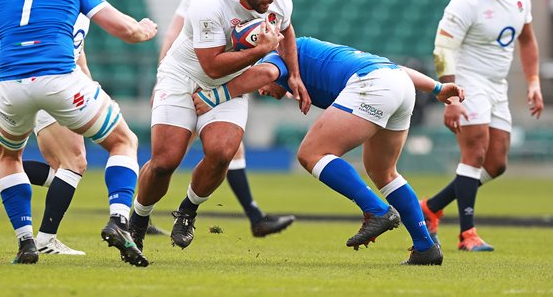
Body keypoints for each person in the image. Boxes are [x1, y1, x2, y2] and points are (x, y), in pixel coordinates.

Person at [0, 0, 157, 265]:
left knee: (11, 158)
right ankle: (118, 220)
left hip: (12, 85)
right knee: (123, 141)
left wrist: (17, 56)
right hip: (58, 79)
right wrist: (143, 29)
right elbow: (125, 29)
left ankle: (26, 243)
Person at [192, 36, 467, 265]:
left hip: (373, 85)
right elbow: (396, 69)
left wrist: (215, 96)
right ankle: (425, 247)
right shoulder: (308, 53)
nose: (260, 91)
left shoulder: (274, 57)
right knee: (384, 172)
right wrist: (437, 87)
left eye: (257, 88)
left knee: (311, 153)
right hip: (399, 85)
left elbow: (266, 73)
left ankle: (377, 211)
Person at [128, 0, 311, 254]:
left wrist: (293, 74)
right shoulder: (209, 2)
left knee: (223, 152)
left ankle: (187, 211)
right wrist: (259, 51)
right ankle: (138, 220)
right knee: (165, 161)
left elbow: (287, 31)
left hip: (230, 85)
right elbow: (211, 64)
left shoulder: (279, 1)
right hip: (183, 77)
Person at [420, 0, 544, 252]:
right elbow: (443, 49)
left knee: (497, 163)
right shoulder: (466, 2)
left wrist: (533, 82)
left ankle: (431, 206)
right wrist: (451, 98)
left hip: (497, 84)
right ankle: (467, 234)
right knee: (474, 152)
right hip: (467, 81)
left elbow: (527, 40)